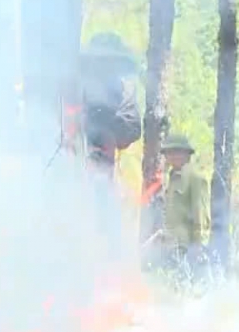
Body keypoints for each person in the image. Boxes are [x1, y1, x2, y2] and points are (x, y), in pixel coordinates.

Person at [75, 33, 143, 175]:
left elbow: (132, 130)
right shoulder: (77, 87)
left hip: (105, 165)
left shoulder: (126, 89)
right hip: (74, 160)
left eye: (110, 61)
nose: (104, 65)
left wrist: (109, 122)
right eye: (100, 60)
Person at [156, 134, 210, 272]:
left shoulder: (195, 178)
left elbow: (201, 215)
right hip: (169, 246)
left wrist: (198, 247)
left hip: (185, 247)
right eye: (169, 152)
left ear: (186, 154)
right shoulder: (172, 178)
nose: (172, 156)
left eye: (177, 152)